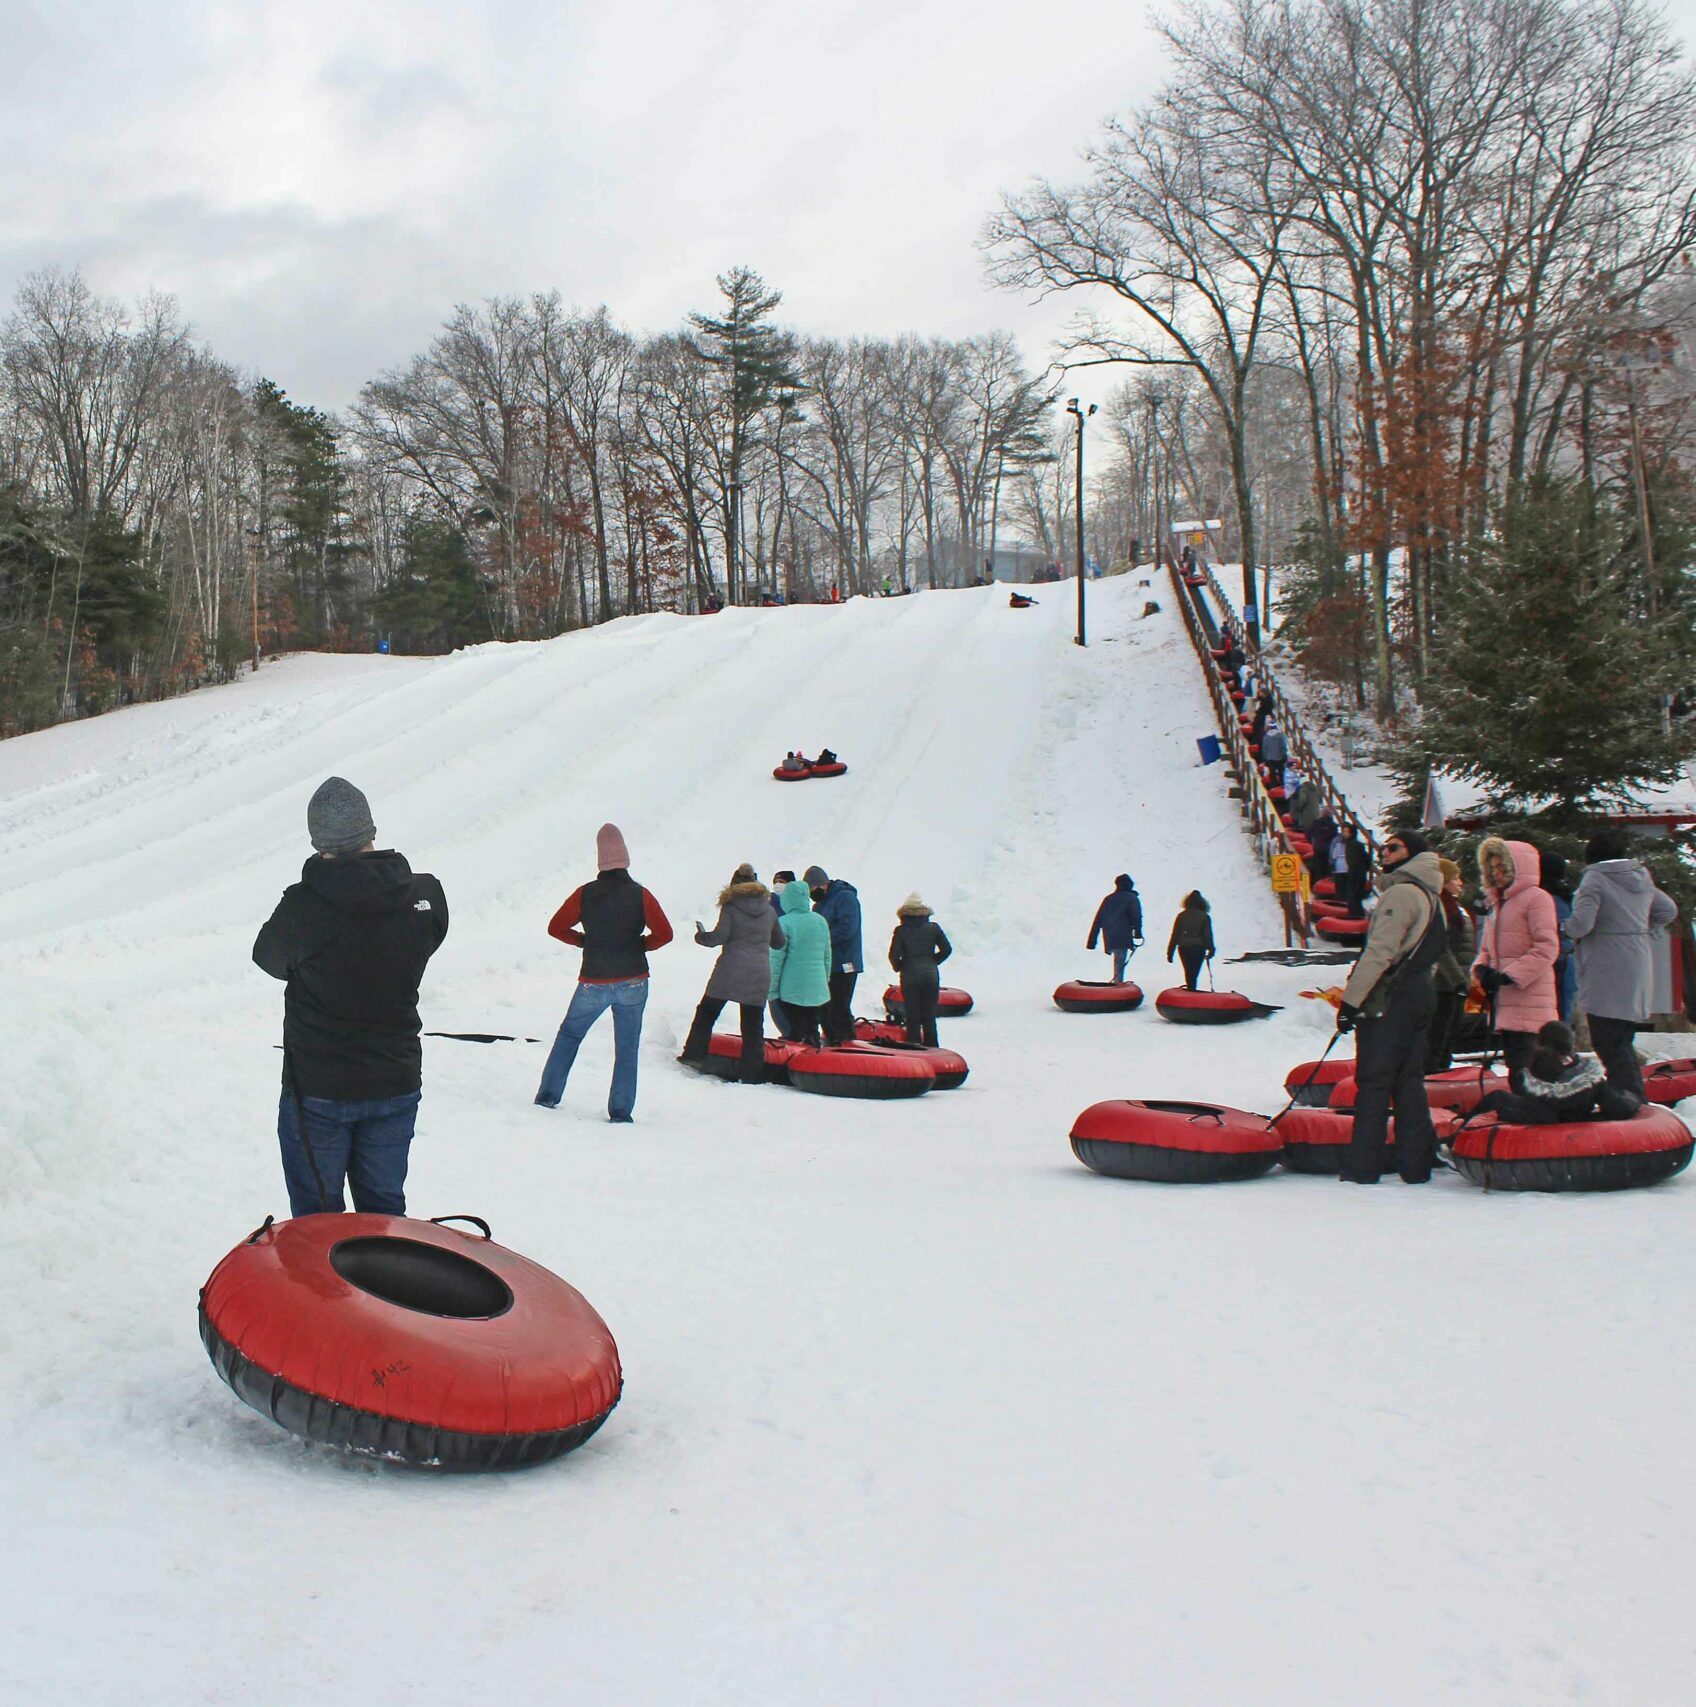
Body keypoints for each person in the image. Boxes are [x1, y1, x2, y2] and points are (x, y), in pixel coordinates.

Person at [253, 777, 448, 1217]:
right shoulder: (425, 895)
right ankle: (383, 1288)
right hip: (396, 1082)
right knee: (383, 1216)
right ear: (369, 829)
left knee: (317, 1225)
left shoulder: (302, 908)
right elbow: (429, 936)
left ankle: (328, 1290)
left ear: (318, 840)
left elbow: (267, 959)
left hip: (319, 1091)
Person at [535, 824, 673, 1122]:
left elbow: (555, 927)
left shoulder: (585, 894)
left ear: (600, 861)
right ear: (625, 859)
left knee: (570, 1034)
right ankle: (620, 1112)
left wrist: (584, 941)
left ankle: (548, 1097)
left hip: (593, 980)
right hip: (634, 979)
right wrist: (640, 946)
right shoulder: (641, 894)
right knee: (627, 1047)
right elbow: (665, 934)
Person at [1333, 830, 1447, 1184]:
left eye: (1393, 847)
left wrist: (1351, 1001)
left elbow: (1380, 952)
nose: (1385, 852)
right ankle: (1416, 1164)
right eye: (1383, 847)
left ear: (1411, 854)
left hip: (1392, 998)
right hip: (1421, 992)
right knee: (1409, 1080)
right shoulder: (1433, 895)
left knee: (1375, 1079)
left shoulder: (1401, 893)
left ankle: (1363, 1165)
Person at [1565, 828, 1678, 1101]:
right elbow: (1668, 909)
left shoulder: (1594, 879)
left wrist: (1562, 927)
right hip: (1637, 959)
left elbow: (1581, 925)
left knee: (1606, 1037)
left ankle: (1627, 1095)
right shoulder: (1641, 876)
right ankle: (1628, 1092)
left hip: (1606, 965)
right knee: (1622, 1035)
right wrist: (1640, 928)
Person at [679, 863, 787, 1082]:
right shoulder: (769, 910)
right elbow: (779, 942)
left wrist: (701, 936)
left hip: (731, 969)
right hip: (759, 971)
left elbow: (719, 937)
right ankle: (752, 1073)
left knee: (707, 1012)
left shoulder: (731, 907)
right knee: (752, 1024)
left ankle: (694, 1055)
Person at [1472, 837, 1560, 1090]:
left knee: (1530, 1065)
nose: (1497, 874)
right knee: (1515, 1064)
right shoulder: (1498, 903)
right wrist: (1482, 968)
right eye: (1493, 869)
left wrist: (1510, 975)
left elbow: (1546, 946)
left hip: (1530, 998)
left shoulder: (1537, 898)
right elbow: (1487, 948)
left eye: (1502, 868)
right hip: (1507, 1001)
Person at [1474, 1021, 1641, 1125]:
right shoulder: (1589, 1077)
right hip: (1575, 1121)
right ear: (1571, 1045)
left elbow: (1525, 1101)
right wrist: (1632, 1099)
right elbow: (1617, 1109)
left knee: (1498, 1097)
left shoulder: (1530, 1073)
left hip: (1540, 1120)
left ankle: (1460, 1130)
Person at [1425, 857, 1477, 1073]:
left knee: (1449, 1036)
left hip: (1456, 984)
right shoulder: (1441, 907)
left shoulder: (1456, 906)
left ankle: (1441, 1073)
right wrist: (1458, 979)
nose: (1460, 882)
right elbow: (1442, 948)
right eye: (1455, 878)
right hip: (1444, 985)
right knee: (1438, 1037)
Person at [803, 864, 863, 1046]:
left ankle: (847, 1045)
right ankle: (833, 1042)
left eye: (813, 889)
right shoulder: (819, 905)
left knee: (839, 1007)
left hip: (845, 962)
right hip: (827, 965)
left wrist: (821, 939)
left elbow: (847, 929)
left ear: (822, 884)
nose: (812, 893)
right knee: (823, 1008)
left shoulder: (845, 898)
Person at [769, 880, 833, 1045]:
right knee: (812, 1028)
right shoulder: (820, 921)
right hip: (817, 989)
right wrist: (824, 981)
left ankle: (794, 1063)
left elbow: (776, 960)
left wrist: (772, 989)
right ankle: (815, 1058)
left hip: (792, 988)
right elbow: (827, 956)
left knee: (795, 1032)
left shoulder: (784, 923)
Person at [889, 894, 953, 1045]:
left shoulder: (901, 930)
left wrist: (899, 967)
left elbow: (893, 955)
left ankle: (915, 1046)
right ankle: (933, 1048)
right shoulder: (933, 928)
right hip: (930, 976)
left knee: (913, 1014)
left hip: (909, 976)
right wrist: (933, 962)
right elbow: (947, 949)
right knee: (929, 1015)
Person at [1541, 854, 1578, 1022]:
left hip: (1548, 961)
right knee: (1563, 1011)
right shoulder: (1568, 897)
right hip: (1566, 959)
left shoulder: (1539, 898)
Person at [1087, 875, 1144, 983]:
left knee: (1118, 959)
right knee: (1120, 960)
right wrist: (1138, 933)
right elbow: (1136, 917)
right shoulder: (1132, 898)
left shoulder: (1108, 899)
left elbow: (1098, 919)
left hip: (1109, 935)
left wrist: (1092, 941)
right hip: (1123, 935)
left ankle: (1117, 983)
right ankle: (1118, 985)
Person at [1166, 891, 1215, 991]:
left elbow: (1175, 934)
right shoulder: (1205, 917)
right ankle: (1192, 990)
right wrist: (1211, 949)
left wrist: (1170, 952)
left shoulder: (1181, 916)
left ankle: (1190, 990)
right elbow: (1208, 935)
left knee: (1188, 971)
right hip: (1198, 947)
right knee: (1194, 972)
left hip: (1184, 947)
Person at [1337, 824, 1372, 919]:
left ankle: (1357, 917)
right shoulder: (1348, 843)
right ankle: (1355, 915)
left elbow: (1365, 859)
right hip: (1353, 872)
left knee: (1354, 897)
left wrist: (1364, 869)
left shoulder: (1355, 845)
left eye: (1346, 832)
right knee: (1352, 897)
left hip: (1357, 874)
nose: (1344, 834)